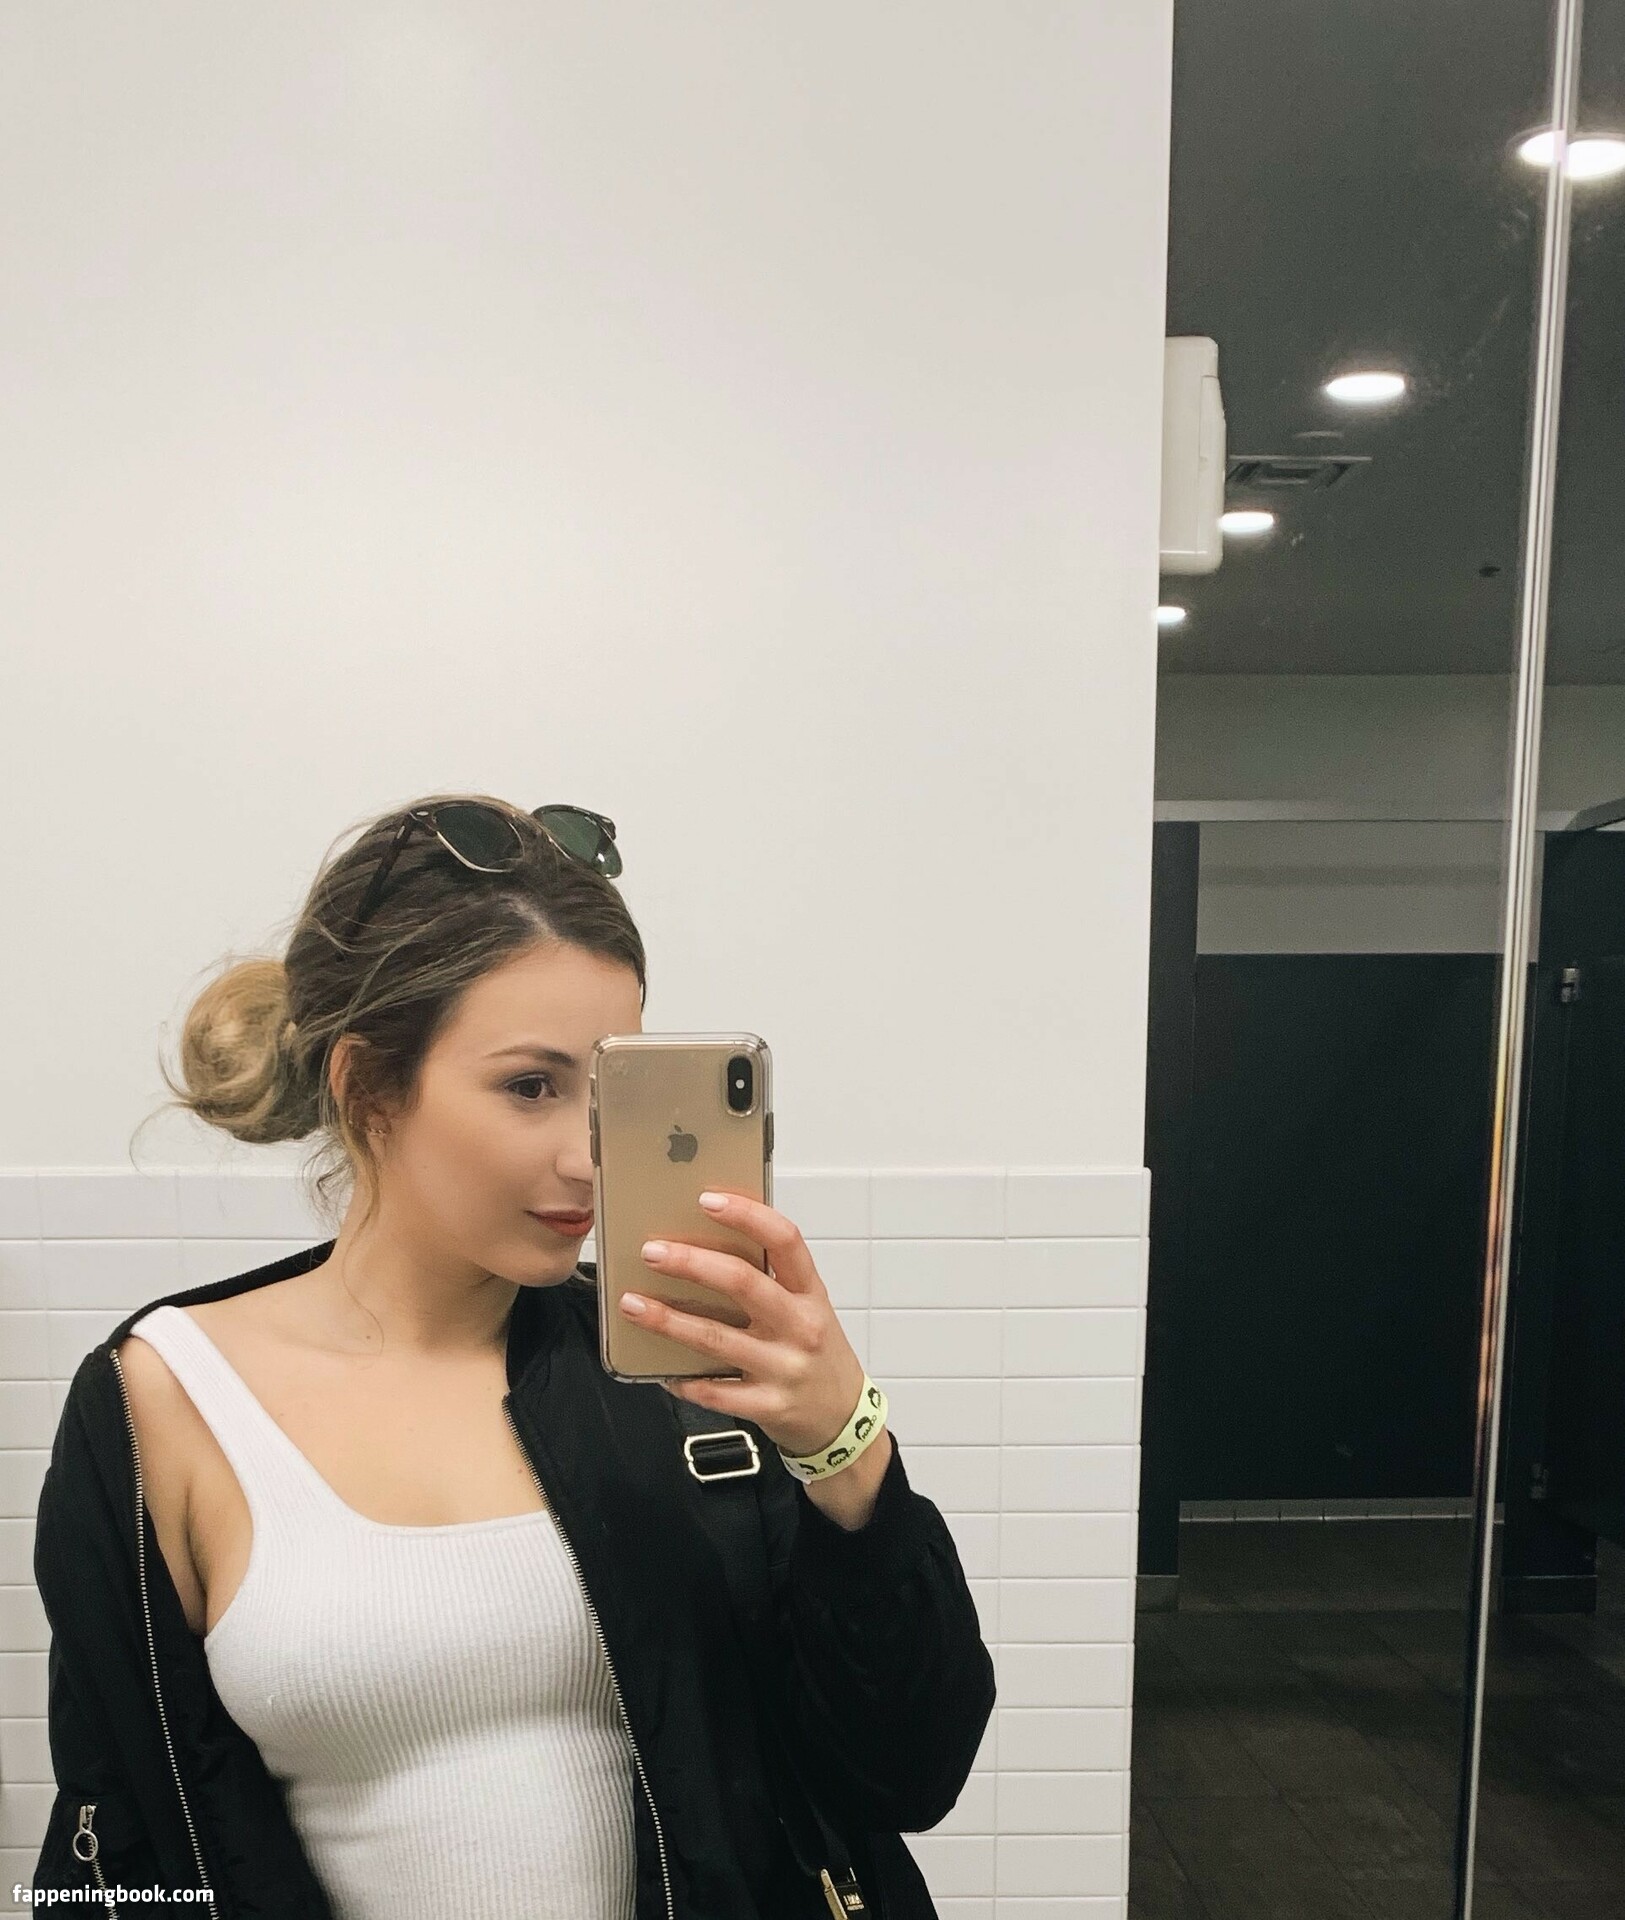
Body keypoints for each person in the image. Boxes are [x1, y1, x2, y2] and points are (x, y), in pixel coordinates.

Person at [29, 792, 996, 1920]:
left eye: (610, 1087)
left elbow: (906, 1774)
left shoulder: (683, 1375)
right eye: (531, 1087)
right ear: (365, 1086)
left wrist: (845, 1448)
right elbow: (119, 1834)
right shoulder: (164, 1400)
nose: (589, 1155)